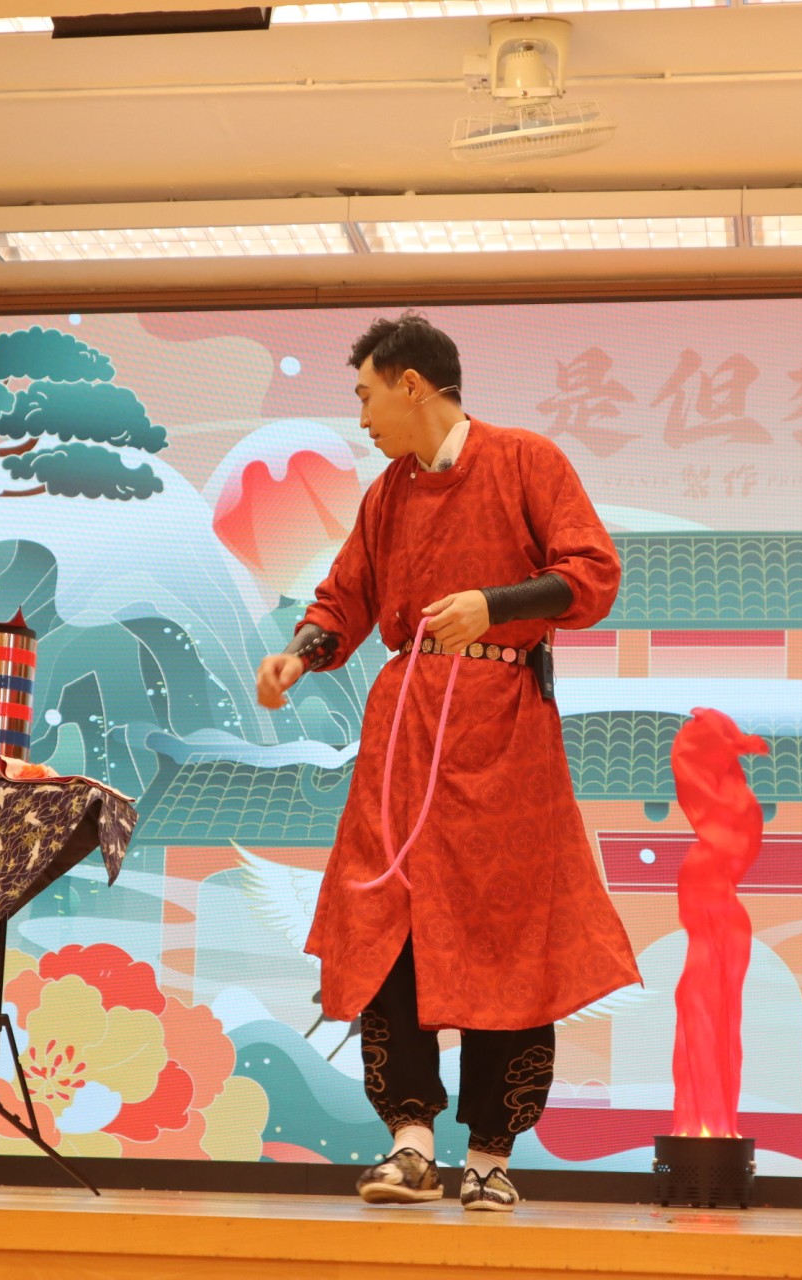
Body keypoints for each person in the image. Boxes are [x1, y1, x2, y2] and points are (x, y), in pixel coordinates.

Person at [256, 312, 641, 1212]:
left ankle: (491, 1155)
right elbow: (344, 599)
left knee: (510, 932)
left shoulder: (527, 460)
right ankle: (412, 1145)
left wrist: (493, 605)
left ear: (412, 384)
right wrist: (300, 656)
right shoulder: (387, 494)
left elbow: (592, 574)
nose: (361, 417)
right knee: (387, 920)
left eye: (366, 396)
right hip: (406, 732)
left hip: (504, 733)